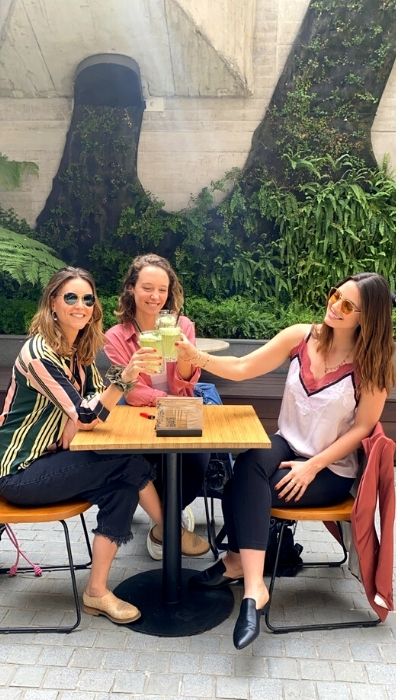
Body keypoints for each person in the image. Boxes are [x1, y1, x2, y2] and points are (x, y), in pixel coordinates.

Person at [175, 272, 394, 649]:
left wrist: (313, 466)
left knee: (246, 490)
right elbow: (243, 368)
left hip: (329, 467)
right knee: (247, 467)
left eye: (347, 305)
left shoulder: (371, 364)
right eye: (335, 295)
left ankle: (242, 571)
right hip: (288, 442)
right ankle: (250, 580)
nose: (334, 307)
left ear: (367, 318)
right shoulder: (301, 337)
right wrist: (196, 357)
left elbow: (362, 428)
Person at [0, 266, 170, 626]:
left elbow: (93, 395)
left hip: (55, 459)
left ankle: (97, 591)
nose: (81, 305)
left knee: (122, 487)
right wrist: (122, 380)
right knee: (127, 461)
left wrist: (76, 416)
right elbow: (90, 413)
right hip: (19, 473)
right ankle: (169, 533)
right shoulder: (39, 354)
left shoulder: (78, 348)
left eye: (88, 299)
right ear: (53, 303)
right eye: (71, 297)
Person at [104, 253, 210, 560]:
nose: (155, 296)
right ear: (132, 288)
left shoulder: (182, 326)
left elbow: (186, 384)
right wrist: (167, 401)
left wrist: (187, 358)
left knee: (197, 460)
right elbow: (133, 392)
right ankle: (168, 523)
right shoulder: (116, 337)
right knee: (142, 460)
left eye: (162, 289)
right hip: (141, 416)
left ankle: (167, 516)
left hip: (180, 412)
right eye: (147, 288)